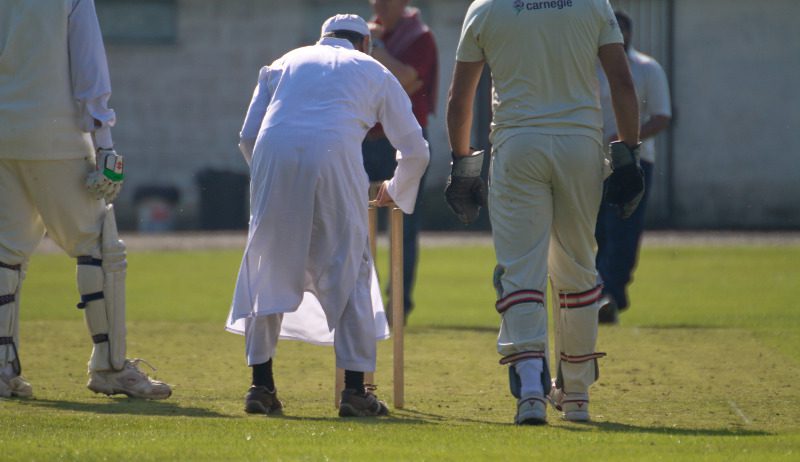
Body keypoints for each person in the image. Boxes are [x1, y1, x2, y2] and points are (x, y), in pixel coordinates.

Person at [445, 0, 642, 424]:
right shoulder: (592, 3)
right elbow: (622, 83)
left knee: (520, 268)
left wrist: (462, 163)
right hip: (579, 147)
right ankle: (576, 396)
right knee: (577, 265)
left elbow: (460, 96)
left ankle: (531, 391)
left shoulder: (486, 7)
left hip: (518, 145)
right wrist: (630, 151)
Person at [227, 14, 429, 417]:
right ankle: (355, 392)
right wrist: (395, 187)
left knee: (266, 266)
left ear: (322, 39)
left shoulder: (285, 61)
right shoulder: (373, 69)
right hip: (336, 158)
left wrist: (277, 181)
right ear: (366, 45)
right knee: (350, 268)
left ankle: (260, 387)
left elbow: (248, 137)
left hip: (274, 157)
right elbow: (416, 149)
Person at [0, 0, 172, 399]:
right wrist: (104, 142)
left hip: (4, 136)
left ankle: (3, 369)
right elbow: (89, 66)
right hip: (55, 135)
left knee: (6, 253)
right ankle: (110, 367)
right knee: (99, 247)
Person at [362, 0, 438, 323]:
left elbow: (406, 79)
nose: (381, 5)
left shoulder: (419, 37)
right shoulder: (363, 34)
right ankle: (364, 301)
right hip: (366, 141)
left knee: (404, 224)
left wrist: (375, 47)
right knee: (359, 223)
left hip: (405, 142)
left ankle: (398, 306)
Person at [595, 10, 672, 324]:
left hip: (635, 160)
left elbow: (662, 117)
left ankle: (613, 291)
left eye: (623, 31)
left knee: (624, 230)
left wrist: (627, 136)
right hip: (594, 162)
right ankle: (601, 294)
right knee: (597, 230)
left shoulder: (647, 68)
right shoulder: (591, 67)